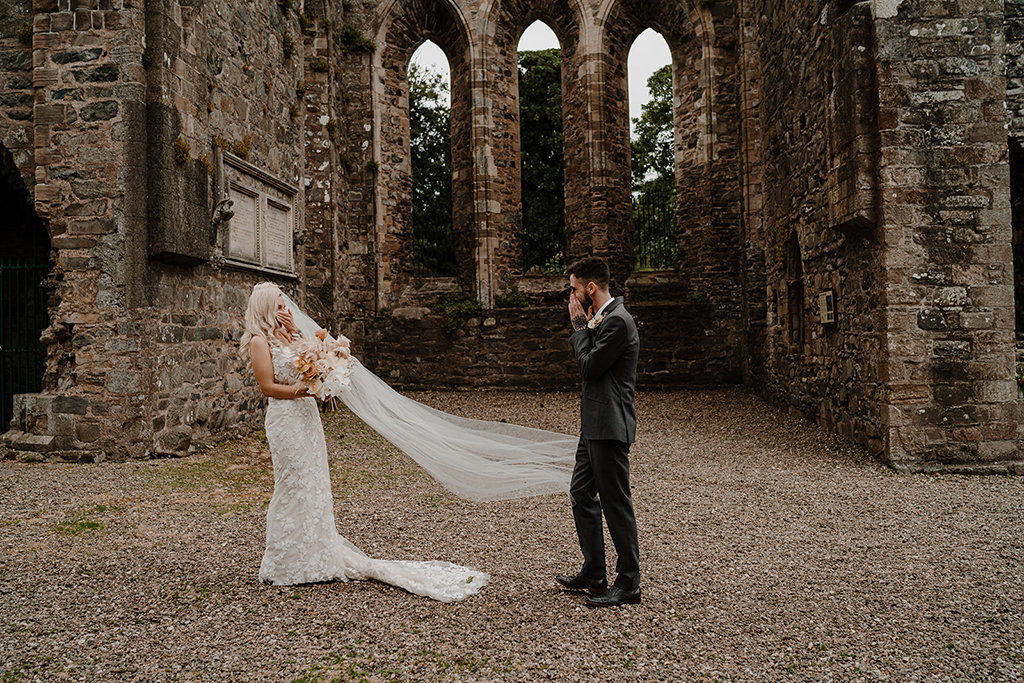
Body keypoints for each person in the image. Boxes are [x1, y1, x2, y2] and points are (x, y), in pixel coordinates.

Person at [241, 282, 488, 602]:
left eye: (285, 304)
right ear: (264, 309)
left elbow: (311, 364)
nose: (286, 310)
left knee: (314, 482)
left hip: (306, 418)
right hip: (286, 420)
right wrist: (308, 391)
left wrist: (304, 346)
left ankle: (315, 554)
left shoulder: (288, 335)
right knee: (291, 484)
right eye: (278, 306)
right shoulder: (259, 342)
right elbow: (268, 388)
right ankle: (286, 561)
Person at [556, 256, 641, 607]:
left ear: (591, 288)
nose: (572, 296)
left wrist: (579, 329)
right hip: (592, 426)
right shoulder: (603, 318)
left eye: (574, 289)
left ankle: (629, 583)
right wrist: (587, 328)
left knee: (616, 504)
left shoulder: (618, 322)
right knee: (580, 493)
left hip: (609, 427)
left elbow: (590, 368)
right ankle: (594, 570)